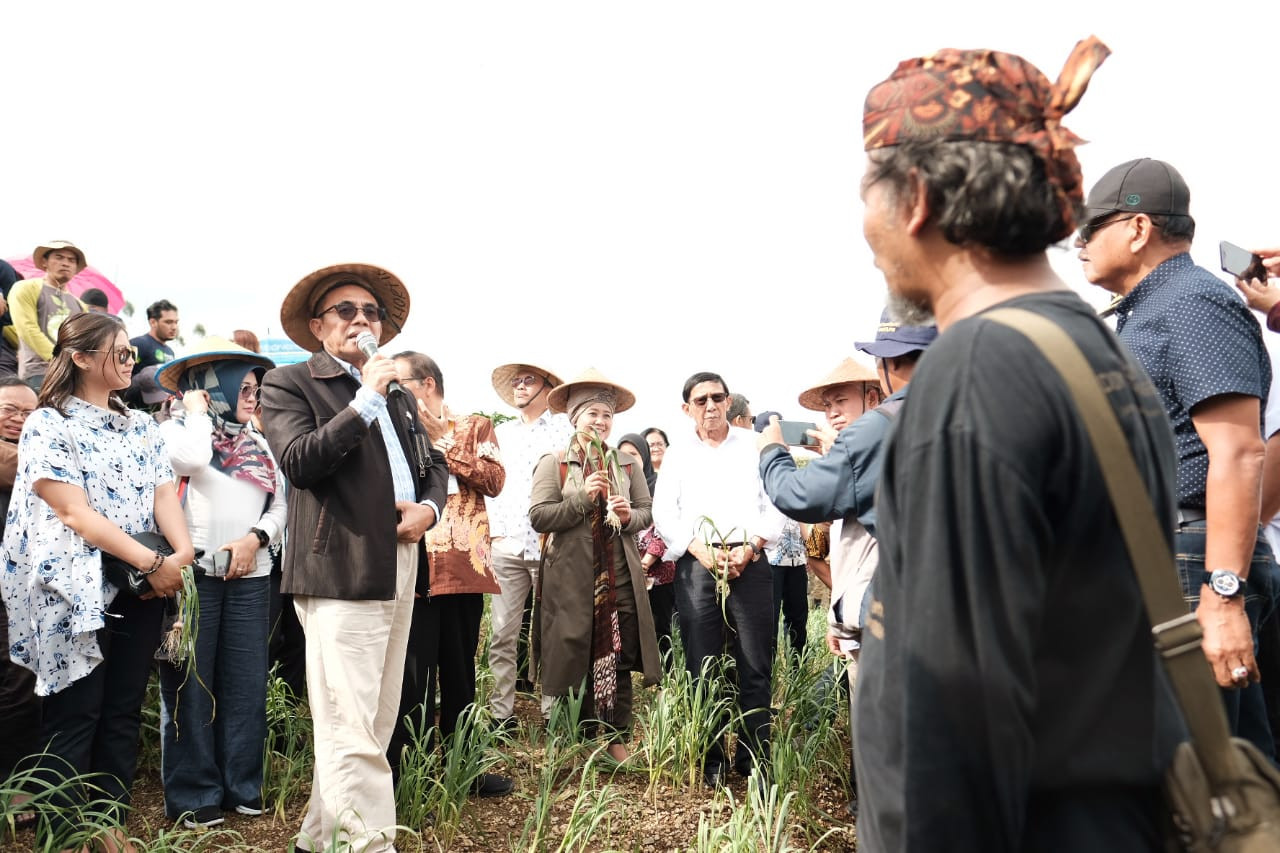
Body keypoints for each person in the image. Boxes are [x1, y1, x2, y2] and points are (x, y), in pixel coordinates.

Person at [854, 37, 1183, 850]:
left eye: (868, 189)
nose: (863, 221)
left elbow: (953, 720)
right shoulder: (1093, 349)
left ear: (918, 197)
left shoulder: (974, 374)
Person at [1079, 157, 1275, 756]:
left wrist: (1222, 596)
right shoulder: (1149, 311)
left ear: (1137, 229)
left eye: (1090, 230)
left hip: (1190, 566)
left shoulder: (1191, 304)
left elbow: (1240, 452)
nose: (1079, 245)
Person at [260, 263, 446, 853]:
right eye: (346, 311)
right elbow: (301, 462)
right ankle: (367, 846)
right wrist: (365, 397)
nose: (362, 321)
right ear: (318, 326)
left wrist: (430, 510)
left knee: (373, 718)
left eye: (371, 313)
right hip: (339, 565)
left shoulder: (396, 393)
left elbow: (433, 465)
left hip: (401, 559)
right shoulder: (291, 383)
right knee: (349, 723)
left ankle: (319, 838)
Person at [0, 312, 194, 850]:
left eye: (132, 354)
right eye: (120, 353)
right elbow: (73, 514)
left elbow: (163, 495)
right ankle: (66, 834)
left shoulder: (141, 425)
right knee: (75, 713)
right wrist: (156, 564)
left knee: (123, 709)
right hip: (75, 589)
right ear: (81, 357)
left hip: (140, 584)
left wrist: (180, 553)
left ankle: (108, 825)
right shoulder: (49, 423)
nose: (130, 361)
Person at [758, 316, 935, 817]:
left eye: (843, 401)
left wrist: (771, 451)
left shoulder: (877, 434)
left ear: (880, 378)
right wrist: (840, 618)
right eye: (829, 404)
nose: (835, 412)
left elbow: (799, 497)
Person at [154, 337, 285, 828]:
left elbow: (282, 505)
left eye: (256, 386)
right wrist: (193, 412)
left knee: (246, 686)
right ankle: (194, 793)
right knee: (191, 685)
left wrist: (256, 538)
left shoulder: (258, 441)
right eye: (244, 386)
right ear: (213, 388)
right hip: (194, 581)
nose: (253, 395)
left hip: (253, 578)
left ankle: (242, 786)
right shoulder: (175, 433)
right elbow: (189, 460)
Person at [386, 350, 513, 797]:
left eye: (398, 382)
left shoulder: (475, 426)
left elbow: (495, 481)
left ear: (426, 385)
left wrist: (445, 441)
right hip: (409, 565)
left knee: (459, 672)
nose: (389, 389)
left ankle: (463, 767)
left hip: (462, 567)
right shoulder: (390, 428)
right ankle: (407, 771)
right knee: (410, 676)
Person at [652, 371, 785, 786]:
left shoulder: (752, 445)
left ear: (729, 402)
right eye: (700, 400)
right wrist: (698, 549)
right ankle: (711, 760)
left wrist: (752, 547)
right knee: (702, 665)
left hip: (751, 560)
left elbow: (776, 500)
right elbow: (664, 513)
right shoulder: (678, 454)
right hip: (698, 565)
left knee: (754, 663)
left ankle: (753, 759)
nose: (710, 406)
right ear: (686, 407)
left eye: (717, 397)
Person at [529, 370, 661, 760]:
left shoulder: (626, 464)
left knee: (615, 652)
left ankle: (614, 736)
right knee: (572, 653)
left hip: (618, 575)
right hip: (569, 578)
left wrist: (626, 517)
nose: (600, 422)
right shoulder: (555, 463)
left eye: (606, 415)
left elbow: (645, 513)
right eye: (592, 414)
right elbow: (539, 516)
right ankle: (571, 737)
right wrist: (584, 500)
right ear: (574, 418)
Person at [485, 361, 573, 727]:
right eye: (516, 382)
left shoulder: (566, 430)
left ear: (547, 386)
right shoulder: (500, 433)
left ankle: (554, 712)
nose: (520, 387)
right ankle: (499, 713)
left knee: (552, 632)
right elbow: (490, 484)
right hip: (506, 544)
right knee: (501, 633)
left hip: (550, 543)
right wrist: (493, 534)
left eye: (529, 380)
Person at [0, 378, 40, 818]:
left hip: (24, 586)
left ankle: (18, 783)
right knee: (15, 685)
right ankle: (15, 789)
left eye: (30, 412)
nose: (20, 418)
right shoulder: (24, 457)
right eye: (10, 409)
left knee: (20, 683)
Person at [617, 432, 676, 664]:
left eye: (633, 454)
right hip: (626, 569)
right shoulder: (615, 487)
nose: (626, 459)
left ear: (644, 457)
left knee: (660, 625)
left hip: (657, 571)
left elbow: (664, 526)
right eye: (621, 454)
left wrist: (646, 561)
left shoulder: (660, 485)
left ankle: (665, 679)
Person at [10, 241, 87, 391]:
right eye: (59, 257)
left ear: (76, 268)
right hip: (38, 372)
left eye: (71, 260)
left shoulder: (80, 305)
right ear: (45, 261)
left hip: (72, 376)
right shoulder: (26, 288)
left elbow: (84, 341)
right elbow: (27, 328)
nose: (65, 263)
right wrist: (59, 360)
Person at [131, 299, 180, 371]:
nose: (174, 327)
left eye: (176, 322)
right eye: (168, 322)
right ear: (153, 322)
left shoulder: (170, 352)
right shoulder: (138, 344)